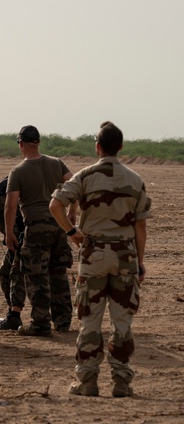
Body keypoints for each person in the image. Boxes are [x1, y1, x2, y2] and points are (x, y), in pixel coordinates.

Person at [50, 122, 151, 398]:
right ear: (120, 147)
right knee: (122, 323)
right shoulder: (134, 179)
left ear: (98, 147)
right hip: (125, 256)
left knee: (90, 321)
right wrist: (139, 261)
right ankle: (121, 382)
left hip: (93, 255)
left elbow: (55, 204)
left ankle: (87, 381)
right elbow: (140, 227)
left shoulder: (85, 176)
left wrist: (72, 232)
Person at [4, 125, 74, 336]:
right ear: (38, 142)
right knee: (58, 274)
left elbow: (10, 206)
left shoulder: (17, 171)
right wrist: (72, 213)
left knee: (36, 277)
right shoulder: (56, 163)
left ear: (21, 144)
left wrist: (9, 233)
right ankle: (62, 322)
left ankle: (40, 324)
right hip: (59, 226)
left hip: (36, 228)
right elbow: (75, 185)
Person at [0, 177, 27, 330]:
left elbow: (14, 232)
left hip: (27, 237)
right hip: (21, 234)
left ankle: (15, 316)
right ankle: (13, 313)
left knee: (16, 273)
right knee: (4, 273)